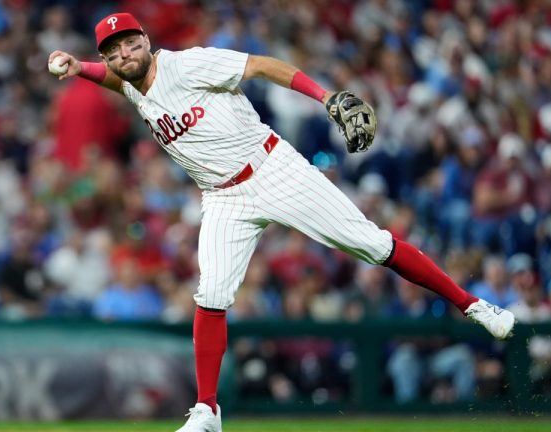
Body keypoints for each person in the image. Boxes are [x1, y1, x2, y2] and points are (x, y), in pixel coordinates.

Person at [48, 12, 515, 431]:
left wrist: (324, 95)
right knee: (211, 293)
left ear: (146, 40)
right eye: (113, 51)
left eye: (130, 43)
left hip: (271, 167)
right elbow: (117, 80)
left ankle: (473, 305)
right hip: (223, 197)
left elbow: (262, 66)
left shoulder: (186, 64)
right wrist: (80, 68)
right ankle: (207, 410)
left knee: (372, 245)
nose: (124, 54)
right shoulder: (130, 81)